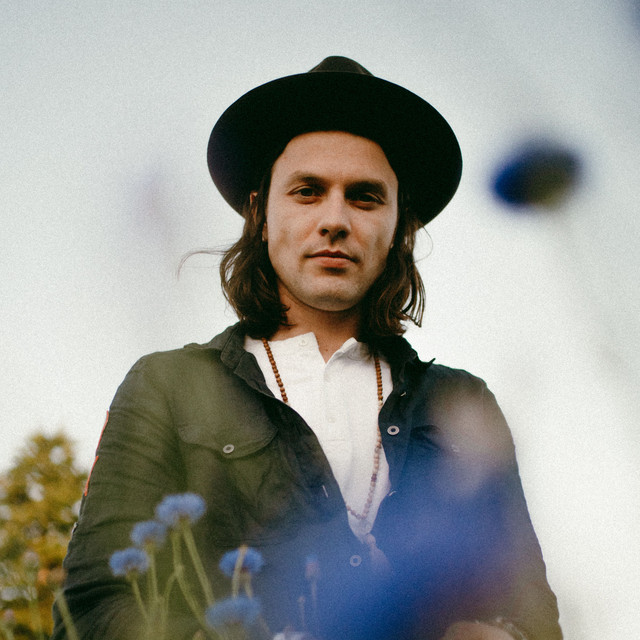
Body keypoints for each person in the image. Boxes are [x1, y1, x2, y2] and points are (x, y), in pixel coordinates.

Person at [52, 56, 562, 640]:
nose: (335, 220)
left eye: (365, 197)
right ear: (260, 213)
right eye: (307, 192)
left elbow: (533, 613)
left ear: (400, 226)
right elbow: (94, 607)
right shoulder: (166, 386)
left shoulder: (461, 402)